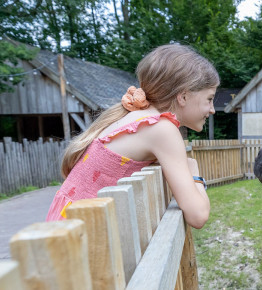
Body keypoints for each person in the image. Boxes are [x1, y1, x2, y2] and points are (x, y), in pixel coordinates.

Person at [45, 44, 216, 229]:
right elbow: (198, 216)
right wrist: (195, 171)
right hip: (82, 233)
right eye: (209, 99)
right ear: (183, 96)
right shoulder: (162, 129)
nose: (213, 109)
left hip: (66, 227)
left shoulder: (136, 119)